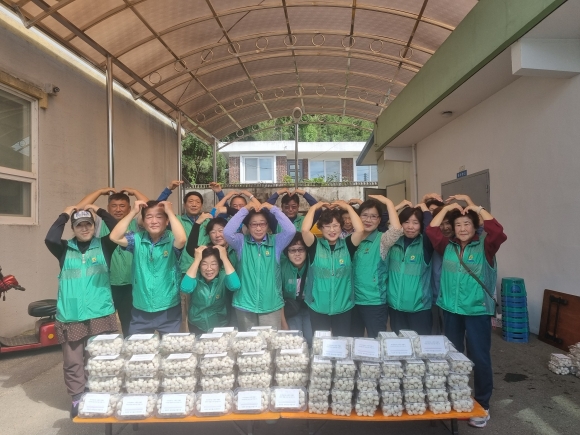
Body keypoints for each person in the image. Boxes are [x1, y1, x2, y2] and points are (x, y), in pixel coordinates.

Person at [427, 202, 506, 428]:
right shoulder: (447, 246)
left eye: (467, 224)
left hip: (477, 311)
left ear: (475, 226)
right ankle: (456, 395)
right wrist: (447, 208)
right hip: (451, 310)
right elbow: (432, 230)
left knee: (479, 357)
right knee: (453, 356)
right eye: (458, 225)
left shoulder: (486, 246)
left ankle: (482, 404)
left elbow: (498, 231)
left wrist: (475, 208)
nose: (462, 229)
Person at [45, 204, 119, 418]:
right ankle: (77, 397)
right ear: (73, 228)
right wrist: (65, 213)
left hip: (100, 312)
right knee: (73, 361)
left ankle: (101, 393)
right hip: (71, 314)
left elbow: (118, 230)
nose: (84, 228)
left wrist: (101, 211)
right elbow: (50, 238)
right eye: (79, 225)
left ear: (94, 226)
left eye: (88, 224)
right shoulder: (63, 248)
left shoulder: (104, 244)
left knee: (101, 359)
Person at [75, 187, 148, 336]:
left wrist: (135, 192)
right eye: (114, 206)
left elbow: (149, 207)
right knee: (104, 329)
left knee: (131, 328)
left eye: (122, 206)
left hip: (132, 285)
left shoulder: (136, 224)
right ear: (108, 208)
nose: (118, 209)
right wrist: (99, 192)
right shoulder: (98, 223)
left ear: (129, 209)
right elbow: (79, 209)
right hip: (105, 285)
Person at [109, 200, 187, 334]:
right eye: (149, 217)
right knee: (138, 346)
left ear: (166, 221)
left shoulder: (172, 239)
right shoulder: (136, 239)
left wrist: (169, 212)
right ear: (143, 222)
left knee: (171, 345)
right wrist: (133, 211)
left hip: (168, 308)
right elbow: (114, 237)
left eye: (159, 217)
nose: (154, 221)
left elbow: (182, 239)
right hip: (141, 309)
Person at [223, 201, 295, 330]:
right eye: (254, 224)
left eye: (262, 224)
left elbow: (291, 230)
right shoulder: (241, 242)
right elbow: (227, 233)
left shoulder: (276, 242)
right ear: (248, 226)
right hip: (245, 304)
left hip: (271, 304)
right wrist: (245, 209)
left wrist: (273, 209)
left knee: (269, 340)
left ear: (267, 226)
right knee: (248, 341)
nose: (258, 228)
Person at [301, 201, 364, 336]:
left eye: (336, 225)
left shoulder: (348, 245)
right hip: (318, 307)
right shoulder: (314, 245)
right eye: (327, 226)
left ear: (341, 227)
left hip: (343, 308)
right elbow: (305, 230)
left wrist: (348, 207)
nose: (332, 230)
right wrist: (314, 207)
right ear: (320, 228)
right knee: (320, 345)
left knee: (341, 344)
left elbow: (360, 230)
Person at [350, 196, 404, 338]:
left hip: (374, 302)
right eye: (364, 215)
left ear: (379, 220)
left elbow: (396, 230)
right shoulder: (351, 239)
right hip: (351, 301)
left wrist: (388, 202)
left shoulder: (382, 240)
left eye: (373, 216)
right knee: (354, 340)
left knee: (377, 341)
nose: (368, 220)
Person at [386, 201, 435, 335]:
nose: (410, 227)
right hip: (395, 308)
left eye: (415, 223)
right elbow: (381, 222)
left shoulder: (425, 244)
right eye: (406, 222)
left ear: (421, 225)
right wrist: (397, 206)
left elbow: (431, 229)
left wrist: (424, 209)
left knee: (420, 345)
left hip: (419, 309)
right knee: (399, 346)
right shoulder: (393, 242)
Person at [186, 213, 239, 327]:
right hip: (213, 296)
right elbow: (190, 248)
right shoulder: (206, 252)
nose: (217, 235)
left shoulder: (237, 248)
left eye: (221, 231)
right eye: (213, 232)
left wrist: (227, 209)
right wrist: (197, 223)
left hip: (237, 294)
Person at [180, 245, 240, 334]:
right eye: (204, 264)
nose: (209, 268)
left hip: (220, 326)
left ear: (219, 265)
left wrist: (224, 258)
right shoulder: (195, 277)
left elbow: (235, 286)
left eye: (214, 264)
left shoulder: (223, 276)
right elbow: (185, 288)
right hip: (197, 326)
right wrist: (196, 260)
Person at [280, 233, 312, 345]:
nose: (297, 254)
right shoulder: (281, 268)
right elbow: (278, 298)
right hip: (291, 309)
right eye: (292, 250)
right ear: (287, 253)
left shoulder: (313, 265)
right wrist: (284, 325)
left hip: (311, 309)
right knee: (295, 340)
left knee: (311, 339)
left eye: (301, 249)